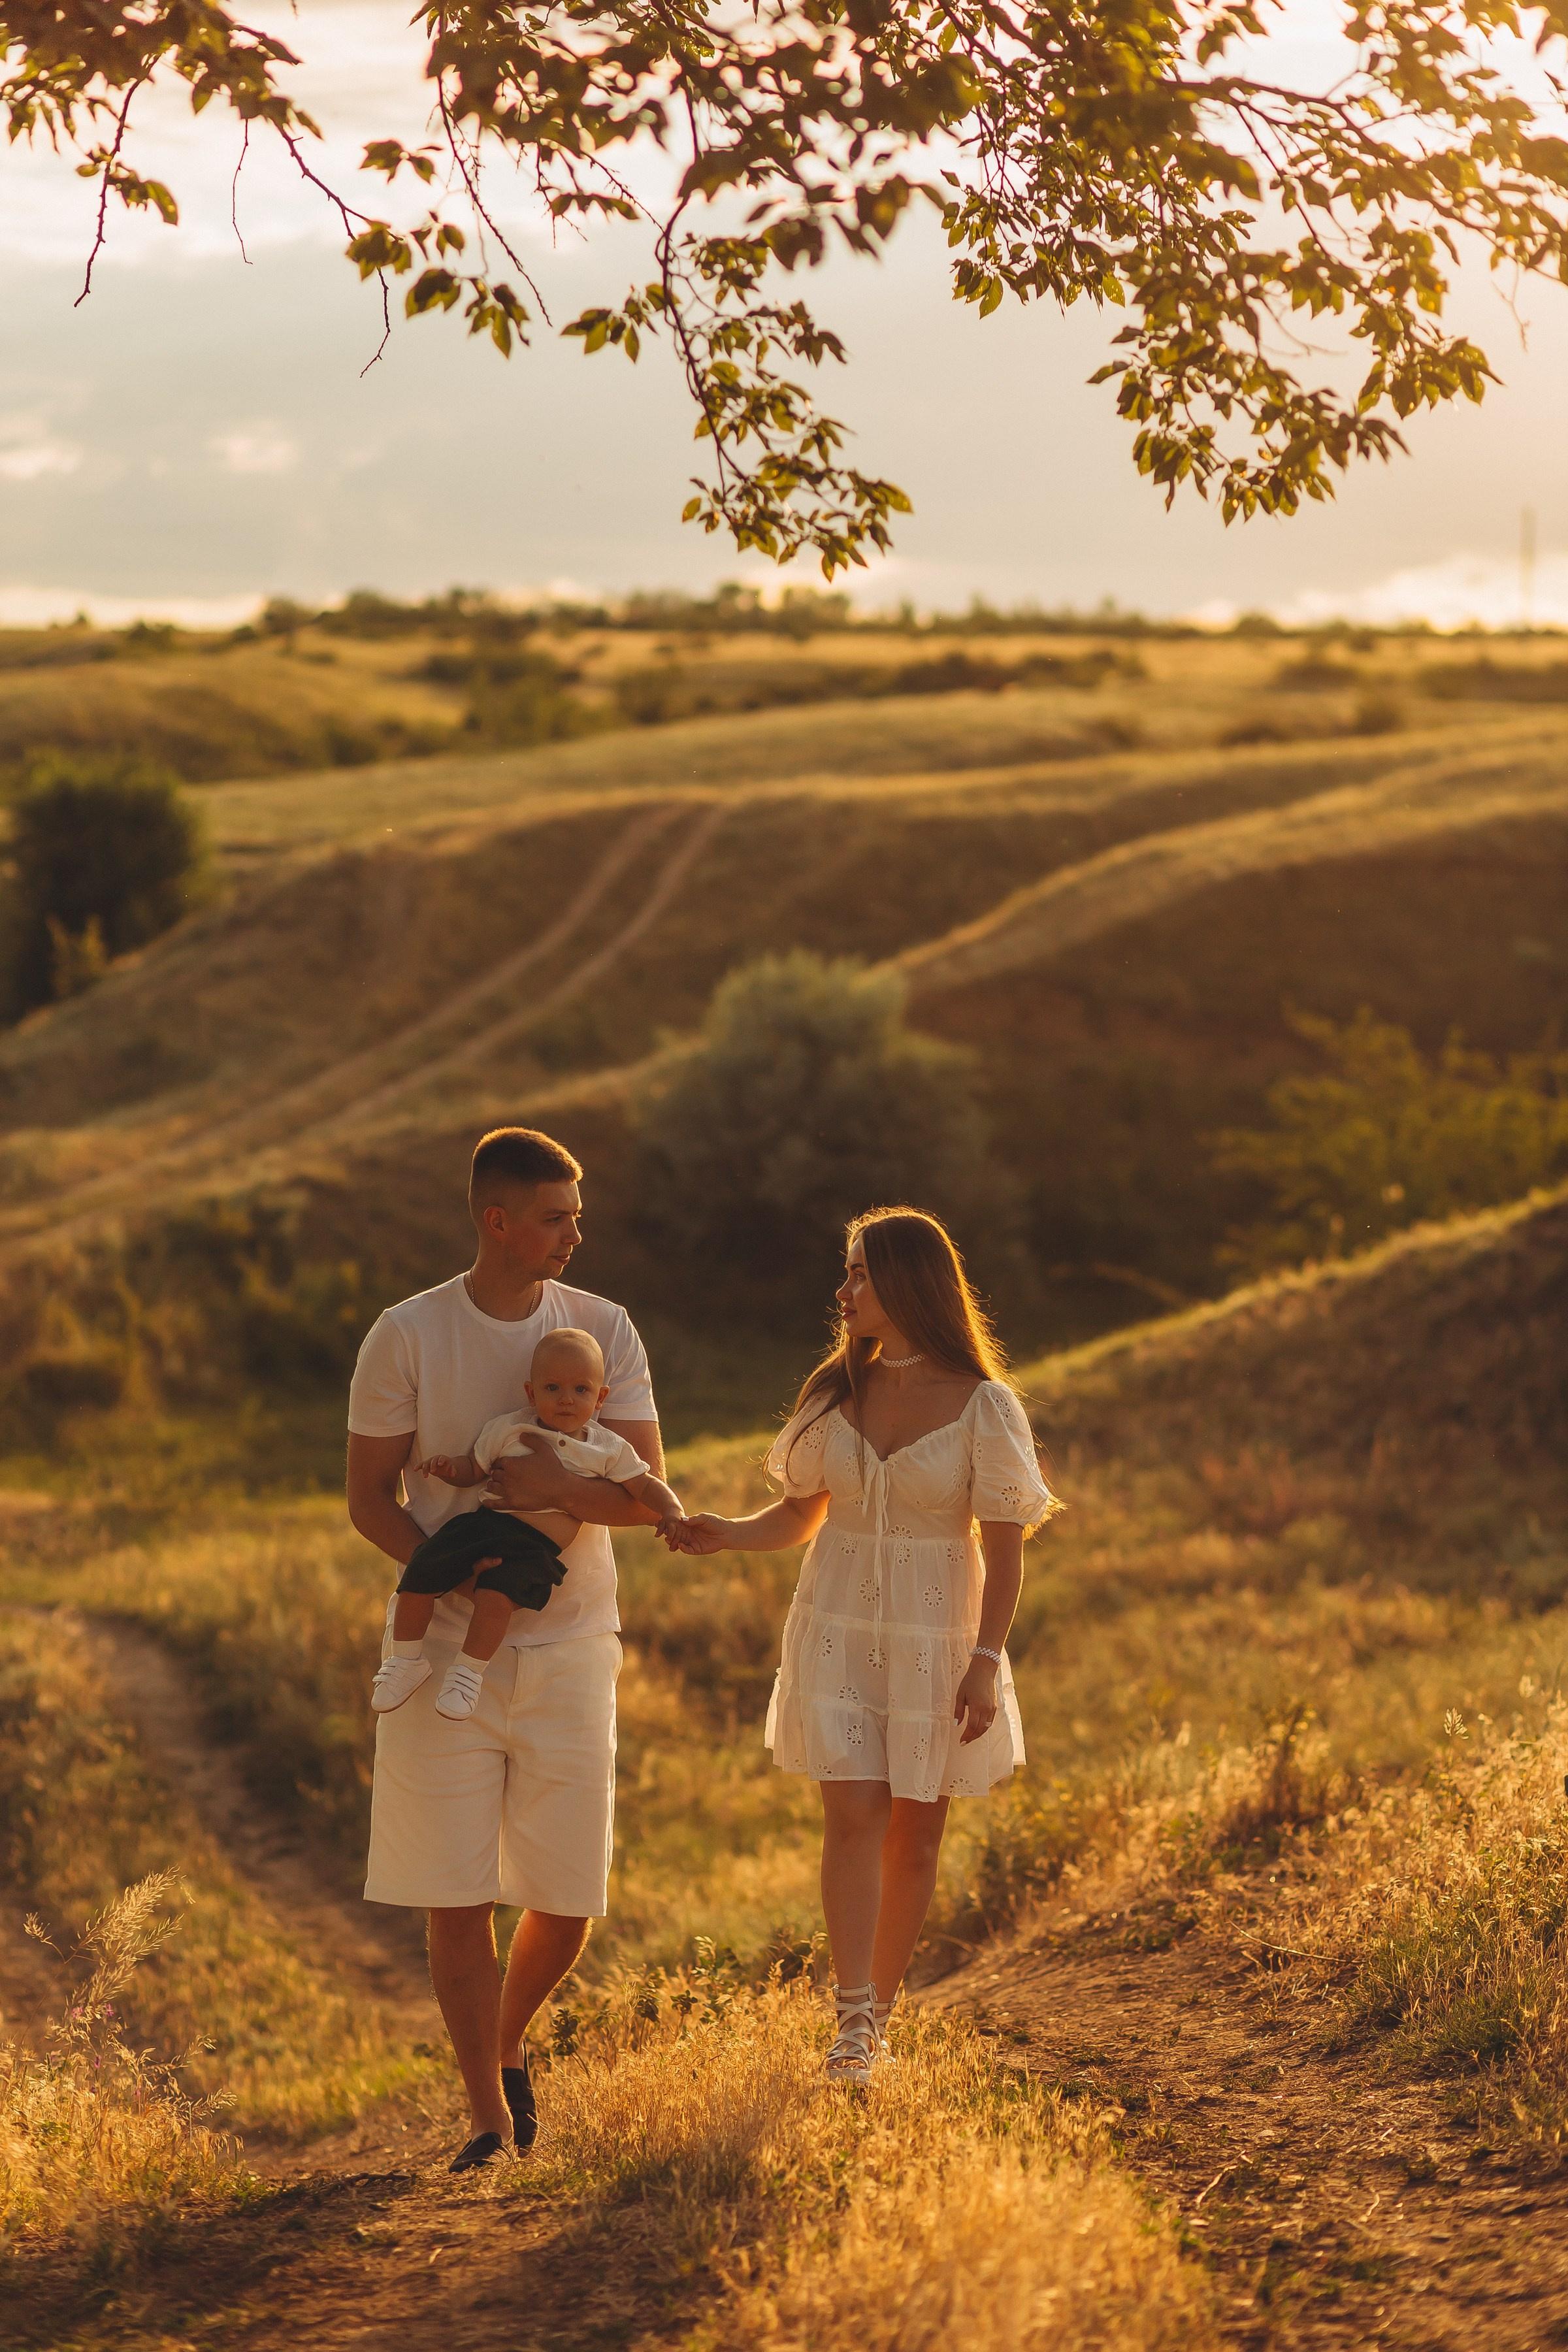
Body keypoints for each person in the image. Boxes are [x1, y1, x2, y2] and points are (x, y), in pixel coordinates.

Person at [669, 1205, 1056, 2085]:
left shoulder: (985, 1406)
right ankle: (849, 2028)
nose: (842, 1292)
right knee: (853, 1817)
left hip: (939, 1641)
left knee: (915, 1839)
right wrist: (722, 1532)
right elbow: (802, 1515)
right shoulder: (834, 1389)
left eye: (858, 1276)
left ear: (907, 1282)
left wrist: (986, 1663)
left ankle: (876, 2020)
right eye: (845, 1275)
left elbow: (1004, 1549)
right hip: (836, 1631)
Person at [346, 1126, 666, 2174]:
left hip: (573, 1644)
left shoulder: (606, 1330)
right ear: (498, 1220)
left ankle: (509, 2039)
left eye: (576, 1214)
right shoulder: (407, 1334)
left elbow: (641, 1495)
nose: (578, 1233)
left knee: (567, 1895)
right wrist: (449, 1568)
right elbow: (368, 1495)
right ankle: (486, 2114)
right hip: (443, 1650)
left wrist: (547, 1495)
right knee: (455, 1888)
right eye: (558, 1217)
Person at [373, 1326, 684, 1722]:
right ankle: (405, 1660)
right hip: (482, 1525)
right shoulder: (511, 1428)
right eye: (552, 1388)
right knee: (422, 1568)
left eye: (581, 1390)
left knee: (496, 1599)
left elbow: (646, 1485)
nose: (567, 1400)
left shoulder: (606, 1447)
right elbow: (475, 1469)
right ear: (531, 1393)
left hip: (535, 1546)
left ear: (601, 1397)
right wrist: (450, 1468)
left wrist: (672, 1511)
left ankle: (467, 1674)